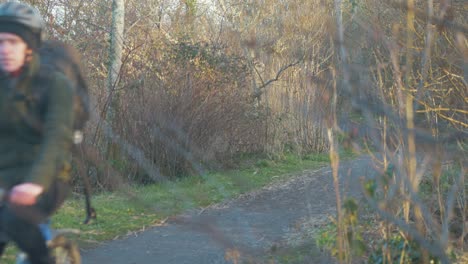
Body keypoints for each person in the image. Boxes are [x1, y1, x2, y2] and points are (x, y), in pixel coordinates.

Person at [0, 2, 75, 264]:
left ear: (29, 46)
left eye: (12, 42)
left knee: (15, 219)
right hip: (5, 178)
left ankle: (47, 258)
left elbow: (58, 137)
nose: (4, 50)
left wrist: (35, 183)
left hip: (47, 177)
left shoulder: (54, 84)